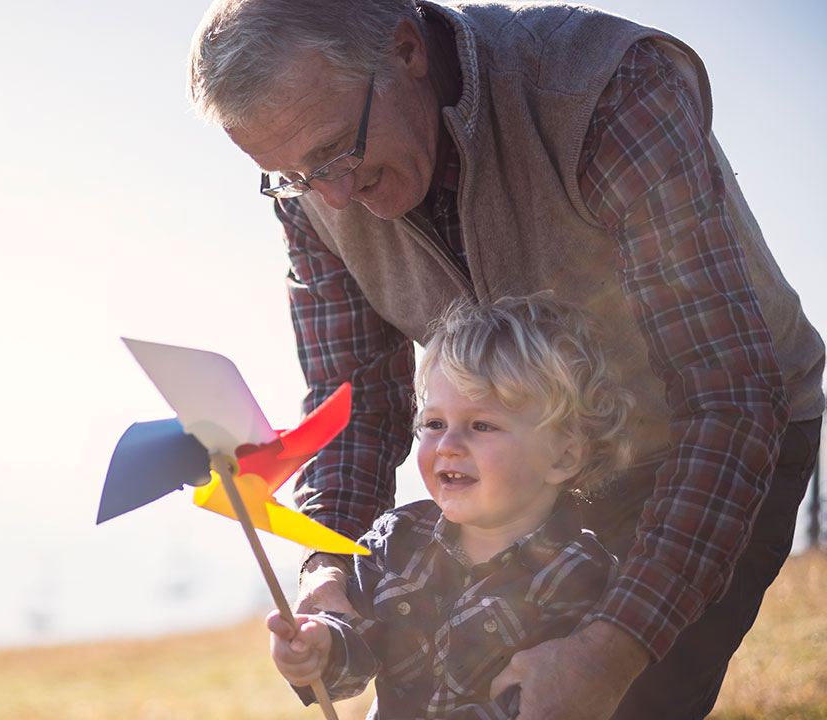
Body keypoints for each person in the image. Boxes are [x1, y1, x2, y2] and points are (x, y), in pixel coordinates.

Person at [186, 2, 825, 719]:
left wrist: (610, 649)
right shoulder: (315, 187)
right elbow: (354, 405)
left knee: (626, 698)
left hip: (707, 432)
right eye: (294, 175)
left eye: (338, 150)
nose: (333, 196)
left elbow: (727, 394)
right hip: (513, 470)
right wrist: (325, 574)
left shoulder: (606, 89)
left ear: (405, 49)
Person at [269, 295, 630, 719]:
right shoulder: (396, 540)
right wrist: (319, 648)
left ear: (562, 456)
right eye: (435, 423)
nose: (448, 446)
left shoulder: (580, 574)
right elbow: (356, 650)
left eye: (482, 425)